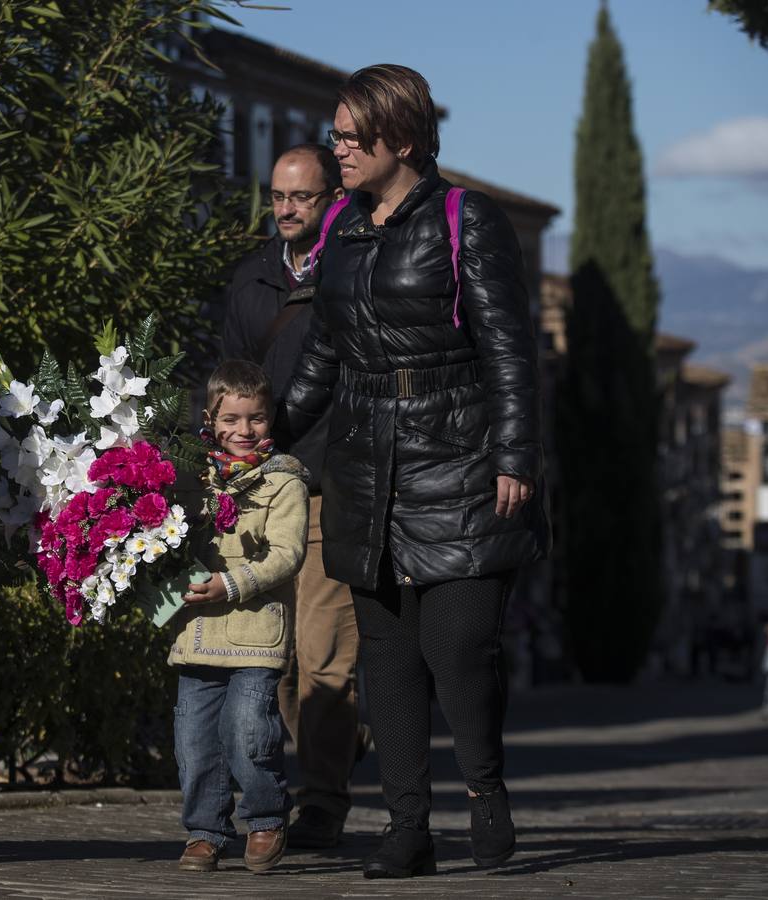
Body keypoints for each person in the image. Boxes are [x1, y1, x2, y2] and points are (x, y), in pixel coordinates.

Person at [281, 64, 549, 878]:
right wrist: (259, 433)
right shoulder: (340, 229)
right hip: (366, 464)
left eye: (352, 137)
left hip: (461, 459)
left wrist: (514, 456)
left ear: (402, 138)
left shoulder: (468, 219)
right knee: (387, 656)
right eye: (335, 135)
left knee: (458, 643)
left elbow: (508, 347)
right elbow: (322, 356)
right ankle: (406, 825)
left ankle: (485, 792)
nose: (340, 150)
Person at [222, 144, 362, 849]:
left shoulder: (351, 271)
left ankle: (323, 802)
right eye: (276, 195)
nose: (284, 208)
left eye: (300, 197)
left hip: (326, 488)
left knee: (323, 652)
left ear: (327, 197)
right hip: (259, 492)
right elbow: (222, 377)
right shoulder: (249, 280)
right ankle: (296, 781)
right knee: (273, 660)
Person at [170, 360, 309, 874]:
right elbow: (165, 539)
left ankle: (267, 818)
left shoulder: (285, 482)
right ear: (211, 417)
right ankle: (205, 831)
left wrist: (231, 582)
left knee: (248, 729)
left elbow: (286, 554)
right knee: (194, 740)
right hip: (197, 634)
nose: (243, 431)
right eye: (231, 419)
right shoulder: (190, 476)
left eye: (255, 418)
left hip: (256, 632)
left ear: (270, 418)